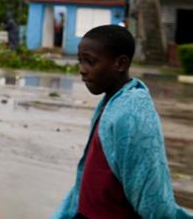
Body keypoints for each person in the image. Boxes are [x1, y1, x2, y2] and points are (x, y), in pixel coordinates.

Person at [51, 25, 192, 219]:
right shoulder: (111, 102)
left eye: (90, 62)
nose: (82, 70)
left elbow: (149, 188)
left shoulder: (132, 113)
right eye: (80, 61)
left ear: (120, 64)